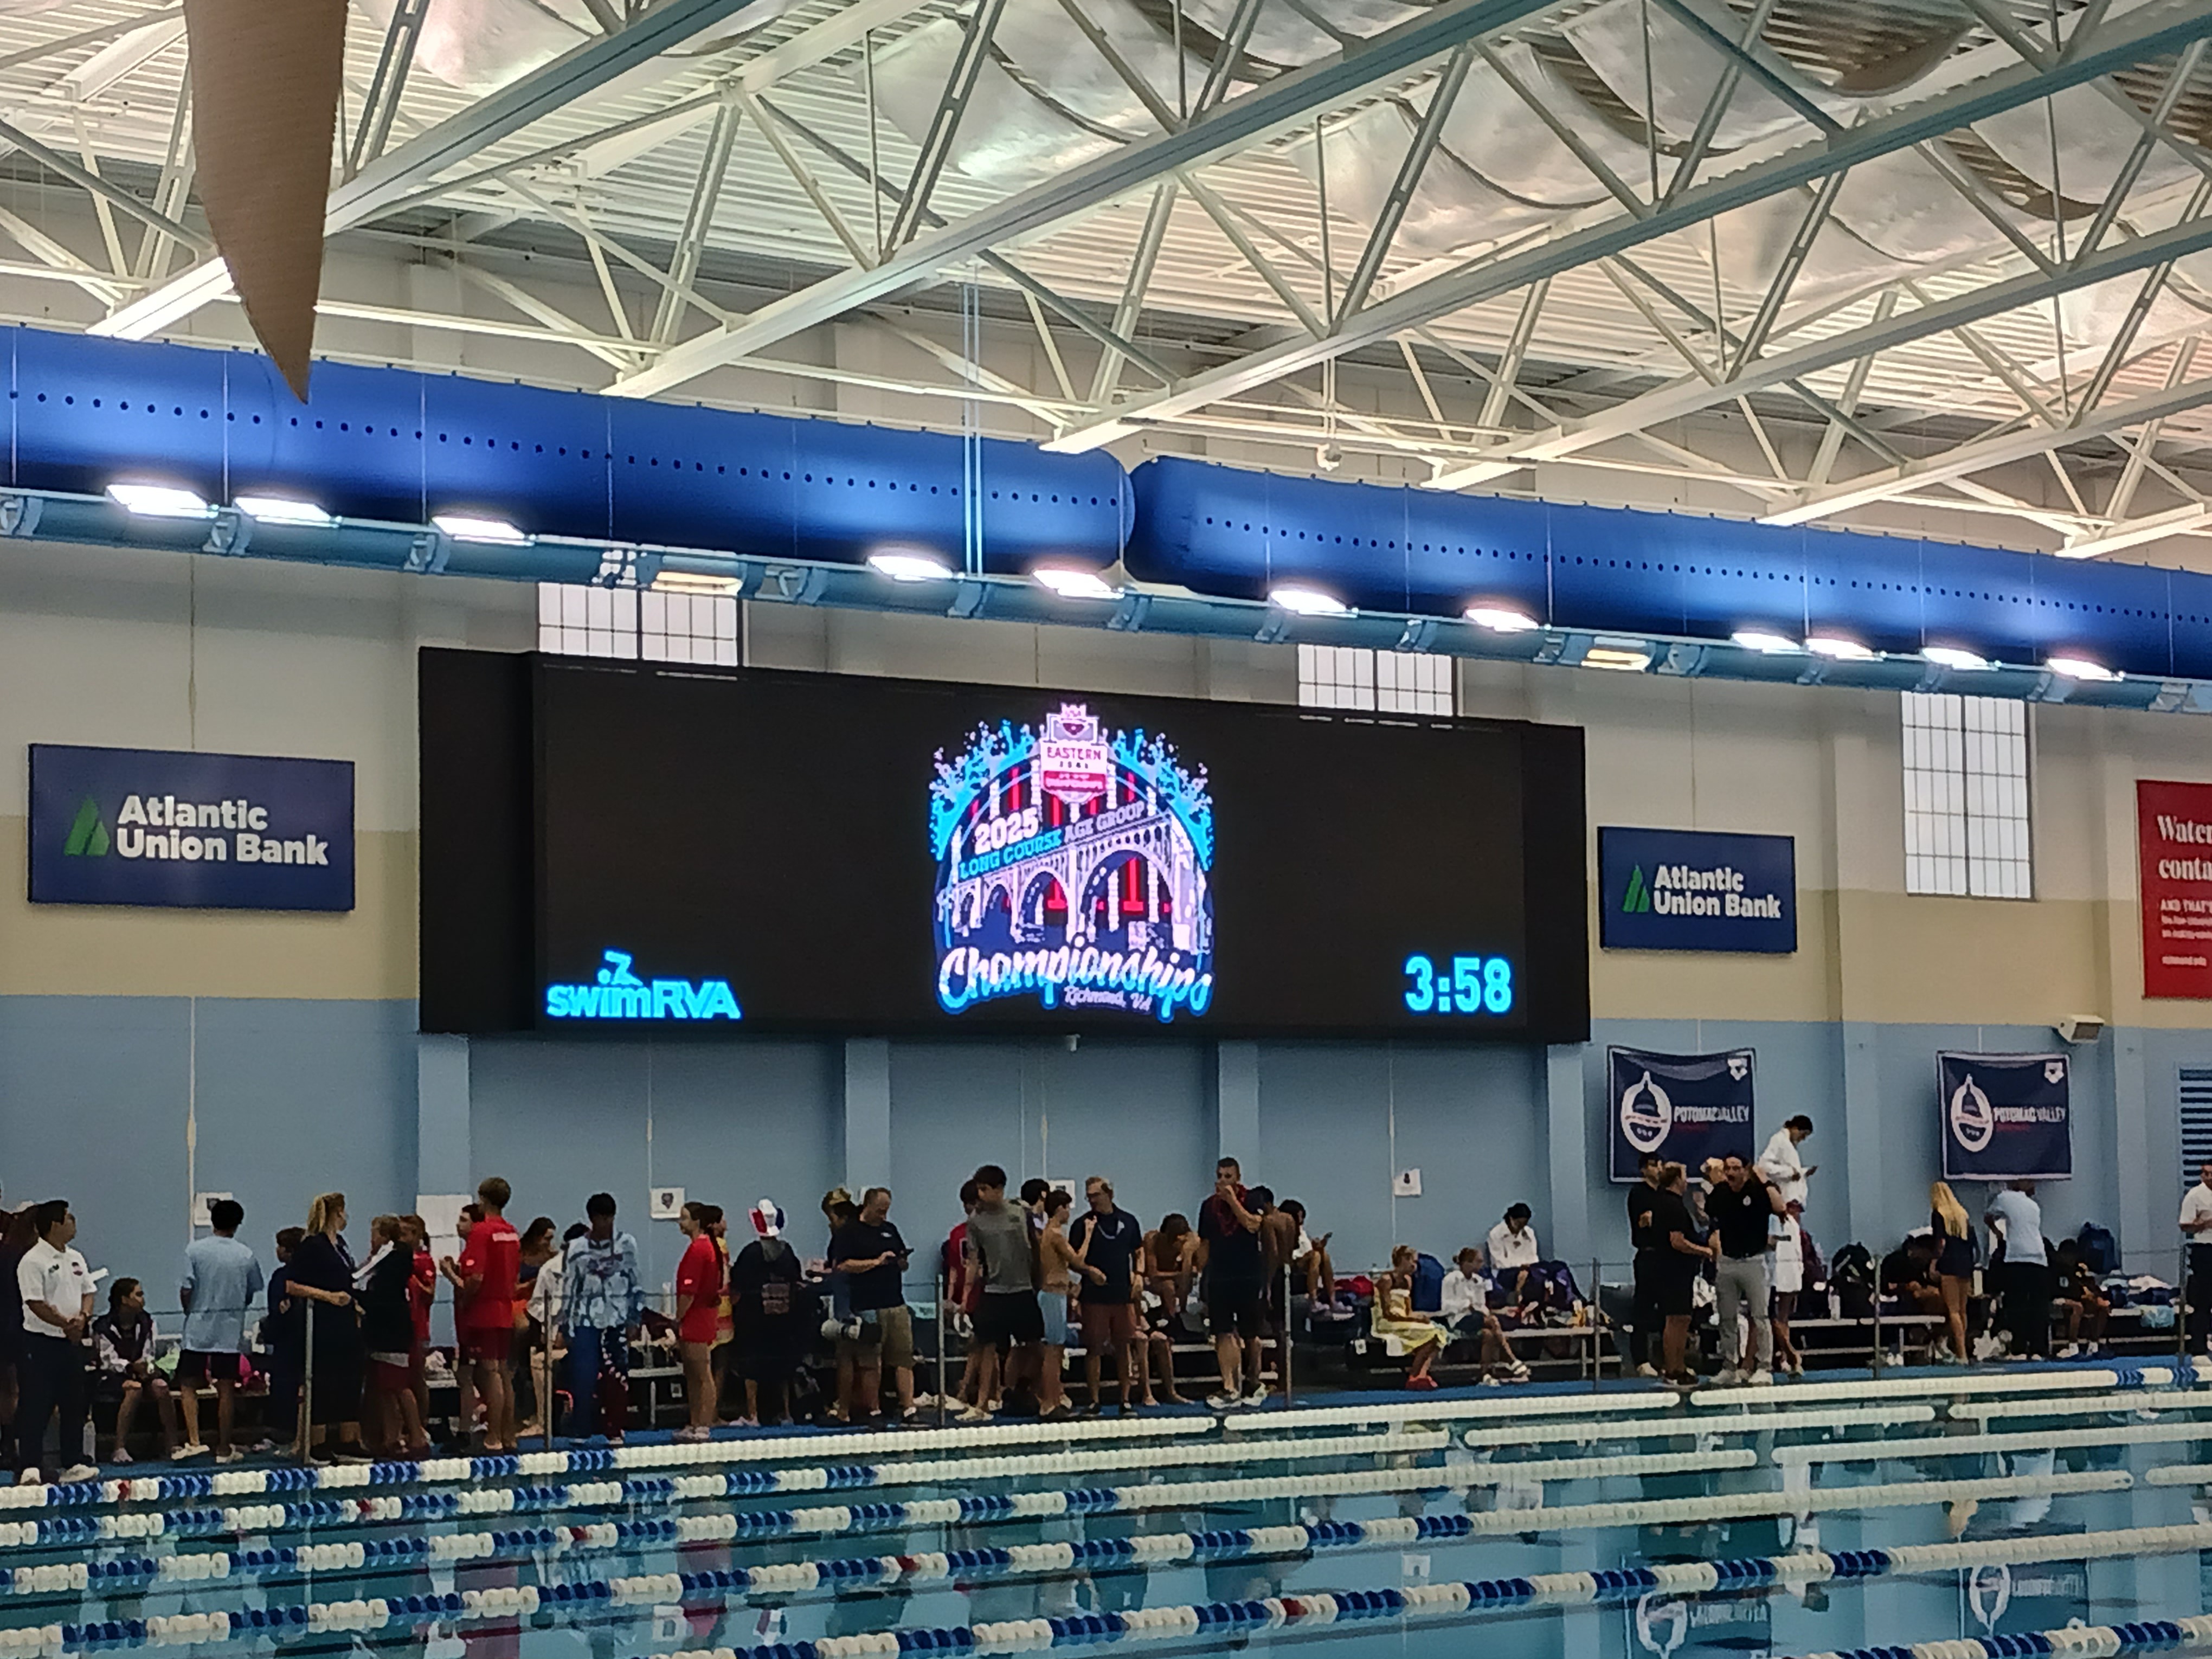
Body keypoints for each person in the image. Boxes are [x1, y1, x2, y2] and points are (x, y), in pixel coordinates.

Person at [175, 1196, 263, 1462]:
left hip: (197, 1329)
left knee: (188, 1385)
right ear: (238, 1224)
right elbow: (251, 1292)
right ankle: (224, 1448)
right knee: (226, 1388)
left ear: (213, 1221)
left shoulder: (194, 1251)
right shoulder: (246, 1255)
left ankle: (194, 1442)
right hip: (229, 1331)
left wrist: (191, 1312)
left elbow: (186, 1289)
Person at [13, 1200, 96, 1480]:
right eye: (69, 1218)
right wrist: (64, 1324)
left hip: (70, 1343)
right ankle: (30, 1466)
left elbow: (88, 1291)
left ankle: (73, 1462)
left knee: (73, 1403)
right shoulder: (33, 1261)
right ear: (55, 1225)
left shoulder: (76, 1257)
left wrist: (82, 1318)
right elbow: (35, 1302)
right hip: (40, 1343)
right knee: (36, 1404)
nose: (74, 1222)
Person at [288, 1193, 370, 1462]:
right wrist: (329, 1297)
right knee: (325, 1381)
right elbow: (292, 1285)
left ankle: (349, 1439)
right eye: (344, 1211)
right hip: (323, 1323)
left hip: (346, 1321)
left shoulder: (341, 1245)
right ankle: (318, 1442)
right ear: (338, 1213)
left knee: (351, 1378)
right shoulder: (313, 1245)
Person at [444, 1176, 520, 1454]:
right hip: (505, 1309)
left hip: (485, 1310)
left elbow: (476, 1278)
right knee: (503, 1372)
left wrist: (453, 1280)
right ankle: (509, 1436)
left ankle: (494, 1437)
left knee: (491, 1373)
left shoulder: (483, 1232)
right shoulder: (512, 1233)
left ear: (483, 1199)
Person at [830, 1187, 917, 1426]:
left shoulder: (890, 1230)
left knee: (903, 1357)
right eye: (879, 1211)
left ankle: (909, 1407)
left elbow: (902, 1260)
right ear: (867, 1206)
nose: (883, 1216)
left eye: (886, 1211)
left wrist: (901, 1262)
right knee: (870, 1362)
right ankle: (874, 1410)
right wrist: (876, 1262)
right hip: (867, 1304)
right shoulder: (849, 1232)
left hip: (895, 1302)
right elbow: (842, 1266)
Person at [962, 1165, 1041, 1424]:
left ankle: (1025, 1388)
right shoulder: (976, 1221)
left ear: (999, 1189)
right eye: (979, 1189)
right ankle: (981, 1404)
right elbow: (974, 1260)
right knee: (986, 1347)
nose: (981, 1195)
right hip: (994, 1290)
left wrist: (1039, 1282)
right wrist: (965, 1297)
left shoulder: (1020, 1212)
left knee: (1035, 1345)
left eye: (985, 1189)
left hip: (1023, 1288)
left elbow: (1036, 1247)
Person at [561, 1192, 642, 1443]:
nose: (606, 1224)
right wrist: (565, 1326)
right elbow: (568, 1289)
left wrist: (635, 1318)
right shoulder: (576, 1248)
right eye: (601, 1219)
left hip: (616, 1320)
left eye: (610, 1218)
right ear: (592, 1219)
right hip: (585, 1321)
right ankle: (582, 1429)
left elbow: (635, 1282)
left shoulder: (627, 1244)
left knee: (617, 1376)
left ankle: (615, 1428)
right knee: (583, 1376)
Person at [1703, 1154, 1780, 1386]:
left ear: (1746, 1171)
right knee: (1727, 1318)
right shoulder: (1721, 1193)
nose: (1731, 1173)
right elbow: (1708, 1215)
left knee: (1760, 1316)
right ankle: (1729, 1367)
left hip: (1753, 1261)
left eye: (1736, 1168)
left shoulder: (1757, 1192)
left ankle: (1764, 1366)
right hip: (1728, 1262)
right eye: (1728, 1168)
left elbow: (1780, 1207)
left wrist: (1764, 1179)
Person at [1196, 1157, 1266, 1410]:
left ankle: (1253, 1381)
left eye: (1228, 1176)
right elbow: (1204, 1243)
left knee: (1250, 1334)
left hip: (1248, 1275)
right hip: (1220, 1275)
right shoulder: (1208, 1207)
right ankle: (1229, 1386)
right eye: (1219, 1176)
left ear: (1237, 1178)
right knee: (1223, 1332)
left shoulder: (1253, 1199)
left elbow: (1252, 1225)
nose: (1223, 1181)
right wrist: (1200, 1275)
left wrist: (1233, 1201)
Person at [1070, 1176, 1143, 1413]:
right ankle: (1094, 1400)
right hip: (1094, 1297)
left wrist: (1139, 1275)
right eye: (1089, 1196)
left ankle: (1126, 1399)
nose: (1092, 1200)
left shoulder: (1128, 1221)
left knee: (1124, 1347)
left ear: (1109, 1194)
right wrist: (1089, 1271)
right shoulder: (1082, 1225)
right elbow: (1073, 1260)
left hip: (1121, 1294)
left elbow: (1138, 1250)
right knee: (1094, 1348)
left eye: (1096, 1195)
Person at [358, 1215, 429, 1457]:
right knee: (385, 1387)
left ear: (385, 1236)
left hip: (392, 1330)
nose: (371, 1240)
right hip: (382, 1330)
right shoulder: (385, 1260)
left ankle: (417, 1436)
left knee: (399, 1385)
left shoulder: (393, 1261)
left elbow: (382, 1295)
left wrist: (357, 1298)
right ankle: (392, 1437)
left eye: (374, 1234)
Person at [731, 1200, 805, 1426]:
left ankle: (752, 1414)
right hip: (783, 1320)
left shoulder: (750, 1253)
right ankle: (786, 1412)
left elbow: (736, 1284)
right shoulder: (787, 1252)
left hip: (754, 1320)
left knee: (751, 1367)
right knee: (783, 1367)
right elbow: (797, 1281)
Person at [92, 1279, 173, 1464]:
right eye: (138, 1294)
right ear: (125, 1300)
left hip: (141, 1372)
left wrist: (146, 1367)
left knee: (161, 1387)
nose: (143, 1299)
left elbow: (149, 1351)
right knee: (134, 1389)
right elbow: (107, 1360)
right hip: (111, 1376)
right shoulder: (103, 1327)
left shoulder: (147, 1322)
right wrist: (130, 1367)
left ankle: (172, 1445)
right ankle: (119, 1448)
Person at [1653, 1164, 1712, 1387]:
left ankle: (1679, 1366)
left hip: (1678, 1269)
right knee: (1675, 1319)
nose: (1687, 1182)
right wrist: (1704, 1251)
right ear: (1677, 1180)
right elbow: (1677, 1242)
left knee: (1683, 1318)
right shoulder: (1672, 1205)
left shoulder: (1667, 1203)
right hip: (1674, 1269)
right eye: (1685, 1177)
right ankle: (1673, 1369)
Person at [1439, 1246, 1528, 1384]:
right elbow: (1446, 1307)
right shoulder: (1451, 1279)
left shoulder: (1479, 1281)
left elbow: (1482, 1305)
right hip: (1458, 1319)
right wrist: (1466, 1304)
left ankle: (1484, 1373)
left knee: (1489, 1335)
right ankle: (1510, 1358)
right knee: (1493, 1321)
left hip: (1477, 1318)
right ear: (1467, 1263)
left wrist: (1483, 1311)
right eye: (1479, 1262)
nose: (1481, 1265)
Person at [1985, 1179, 2050, 1360]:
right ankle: (2038, 1350)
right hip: (2039, 1258)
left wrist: (1997, 1233)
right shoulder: (2034, 1206)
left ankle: (2019, 1349)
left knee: (2017, 1305)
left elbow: (1988, 1216)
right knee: (2038, 1307)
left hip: (2017, 1257)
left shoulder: (2004, 1198)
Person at [675, 1202, 723, 1441]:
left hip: (696, 1316)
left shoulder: (699, 1249)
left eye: (684, 1218)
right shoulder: (704, 1247)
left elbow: (689, 1291)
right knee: (693, 1374)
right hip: (699, 1314)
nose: (680, 1223)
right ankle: (695, 1422)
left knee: (702, 1373)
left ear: (696, 1222)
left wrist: (678, 1318)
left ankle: (704, 1423)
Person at [1140, 1214, 1196, 1406]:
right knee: (1168, 1287)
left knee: (1174, 1285)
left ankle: (1178, 1318)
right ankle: (1173, 1322)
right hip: (1153, 1286)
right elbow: (1153, 1273)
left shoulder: (1191, 1242)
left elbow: (1193, 1271)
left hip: (1173, 1287)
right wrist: (1180, 1275)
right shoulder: (1152, 1239)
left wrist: (1187, 1259)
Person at [258, 1227, 305, 1454]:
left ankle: (283, 1432)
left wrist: (270, 1328)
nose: (277, 1250)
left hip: (287, 1341)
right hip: (302, 1339)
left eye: (280, 1246)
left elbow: (277, 1311)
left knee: (285, 1387)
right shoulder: (311, 1276)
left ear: (289, 1251)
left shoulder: (282, 1277)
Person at [1034, 1189, 1079, 1421]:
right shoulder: (1055, 1234)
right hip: (1053, 1295)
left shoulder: (1049, 1234)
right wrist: (1089, 1235)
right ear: (1060, 1209)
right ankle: (1049, 1403)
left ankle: (1054, 1400)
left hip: (1057, 1294)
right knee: (1053, 1352)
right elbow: (1078, 1261)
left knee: (1057, 1351)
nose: (1069, 1212)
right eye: (1068, 1208)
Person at [1375, 1246, 1446, 1389]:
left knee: (1439, 1332)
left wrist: (1420, 1317)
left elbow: (1408, 1311)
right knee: (1431, 1334)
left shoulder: (1408, 1281)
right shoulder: (1386, 1280)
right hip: (1387, 1323)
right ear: (1401, 1260)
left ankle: (1421, 1374)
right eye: (1410, 1261)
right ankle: (1414, 1374)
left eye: (1415, 1262)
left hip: (1403, 1320)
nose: (1414, 1265)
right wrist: (1413, 1320)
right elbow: (1388, 1313)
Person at [1625, 1152, 1666, 1377]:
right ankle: (1640, 1360)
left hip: (1666, 1257)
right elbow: (1643, 1222)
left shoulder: (1664, 1194)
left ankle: (1666, 1359)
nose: (1658, 1169)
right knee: (1643, 1308)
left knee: (1667, 1310)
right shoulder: (1638, 1193)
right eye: (1653, 1165)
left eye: (1660, 1164)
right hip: (1648, 1256)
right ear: (1643, 1169)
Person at [1930, 1181, 1977, 1366]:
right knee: (1963, 1310)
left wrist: (1934, 1263)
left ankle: (1961, 1353)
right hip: (1965, 1263)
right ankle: (1962, 1350)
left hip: (1949, 1263)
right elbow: (1973, 1243)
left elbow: (1941, 1243)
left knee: (1953, 1310)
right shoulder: (1963, 1214)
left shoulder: (1939, 1214)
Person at [2051, 1239, 2110, 1359]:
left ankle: (2093, 1345)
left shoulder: (2079, 1270)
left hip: (2079, 1299)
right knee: (2077, 1307)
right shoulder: (2054, 1270)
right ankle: (2073, 1346)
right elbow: (2058, 1291)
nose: (2070, 1258)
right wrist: (2080, 1297)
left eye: (2073, 1255)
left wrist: (2097, 1297)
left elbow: (2091, 1287)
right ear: (2061, 1255)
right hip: (2057, 1299)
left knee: (2103, 1308)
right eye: (2067, 1254)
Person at [1767, 1198, 1806, 1377]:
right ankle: (1786, 1355)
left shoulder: (1792, 1225)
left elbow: (1795, 1250)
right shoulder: (1774, 1220)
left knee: (1782, 1318)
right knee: (1775, 1318)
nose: (1797, 1214)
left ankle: (1785, 1356)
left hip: (1788, 1274)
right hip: (1778, 1272)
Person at [2182, 1161, 2212, 1355]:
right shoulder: (2194, 1195)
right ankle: (2199, 1346)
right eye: (2205, 1173)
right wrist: (2204, 1224)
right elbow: (2185, 1225)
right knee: (2204, 1301)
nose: (2207, 1177)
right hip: (2205, 1249)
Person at [1757, 1116, 1816, 1211]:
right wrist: (1789, 1173)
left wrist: (1803, 1173)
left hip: (1794, 1202)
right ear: (1795, 1128)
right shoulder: (1779, 1140)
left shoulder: (1789, 1144)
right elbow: (1764, 1166)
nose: (1803, 1138)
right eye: (1803, 1134)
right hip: (1785, 1202)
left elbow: (1792, 1172)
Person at [1279, 1200, 1334, 1301]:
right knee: (1315, 1256)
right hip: (1293, 1263)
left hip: (1305, 1260)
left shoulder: (1302, 1231)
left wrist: (1319, 1245)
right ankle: (1313, 1298)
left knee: (1324, 1255)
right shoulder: (1285, 1231)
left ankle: (1332, 1298)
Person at [1880, 1234, 1944, 1319]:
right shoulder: (1897, 1262)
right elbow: (1885, 1287)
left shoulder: (1923, 1266)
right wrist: (1906, 1287)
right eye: (1929, 1253)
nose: (1929, 1258)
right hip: (1897, 1307)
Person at [1487, 1205, 1540, 1304]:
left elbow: (1533, 1257)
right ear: (1511, 1219)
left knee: (1553, 1269)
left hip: (1527, 1269)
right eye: (1518, 1223)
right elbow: (1500, 1263)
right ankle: (1518, 1296)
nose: (1521, 1227)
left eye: (1524, 1224)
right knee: (1530, 1277)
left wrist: (1527, 1267)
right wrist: (1521, 1266)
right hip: (1504, 1272)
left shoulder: (1529, 1232)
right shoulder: (1496, 1234)